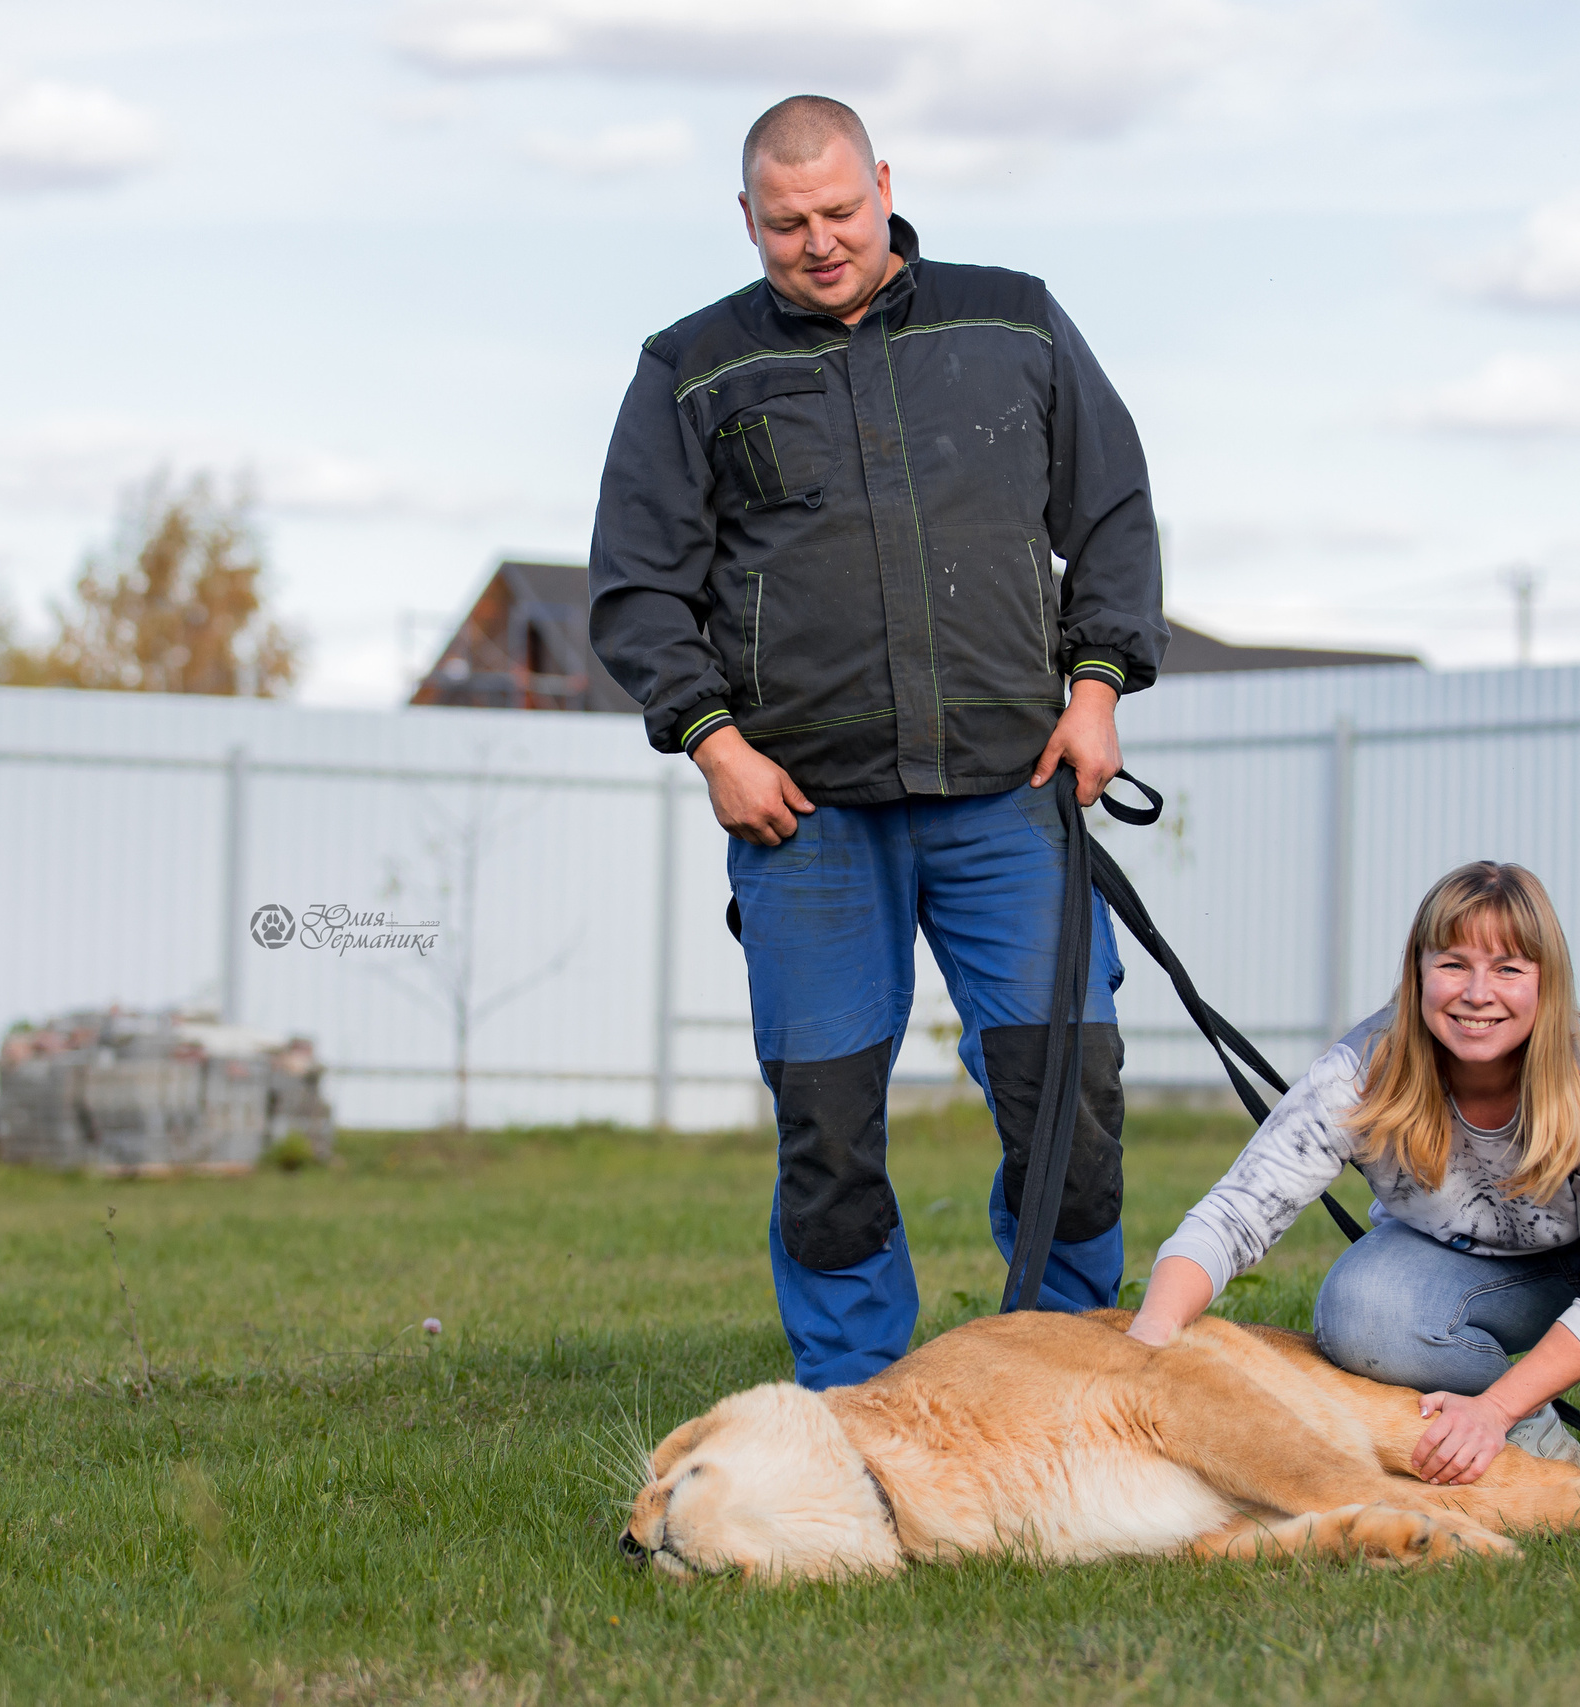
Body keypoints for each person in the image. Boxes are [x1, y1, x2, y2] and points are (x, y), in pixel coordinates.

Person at [589, 95, 1167, 1391]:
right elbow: (636, 584)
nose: (819, 241)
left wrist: (1097, 686)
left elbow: (1115, 513)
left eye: (841, 210)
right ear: (747, 220)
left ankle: (1065, 1360)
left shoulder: (1009, 318)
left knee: (1071, 1093)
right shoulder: (693, 366)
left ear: (885, 185)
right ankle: (852, 1391)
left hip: (1009, 796)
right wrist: (711, 741)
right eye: (787, 222)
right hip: (808, 820)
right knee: (830, 1128)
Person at [1122, 861, 1580, 1507]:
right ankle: (1532, 1430)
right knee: (1364, 1309)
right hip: (1482, 1269)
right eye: (1453, 964)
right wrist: (1149, 1337)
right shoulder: (1360, 1074)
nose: (1478, 993)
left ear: (1546, 982)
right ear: (1418, 973)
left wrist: (1490, 1406)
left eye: (1507, 968)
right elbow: (1237, 1213)